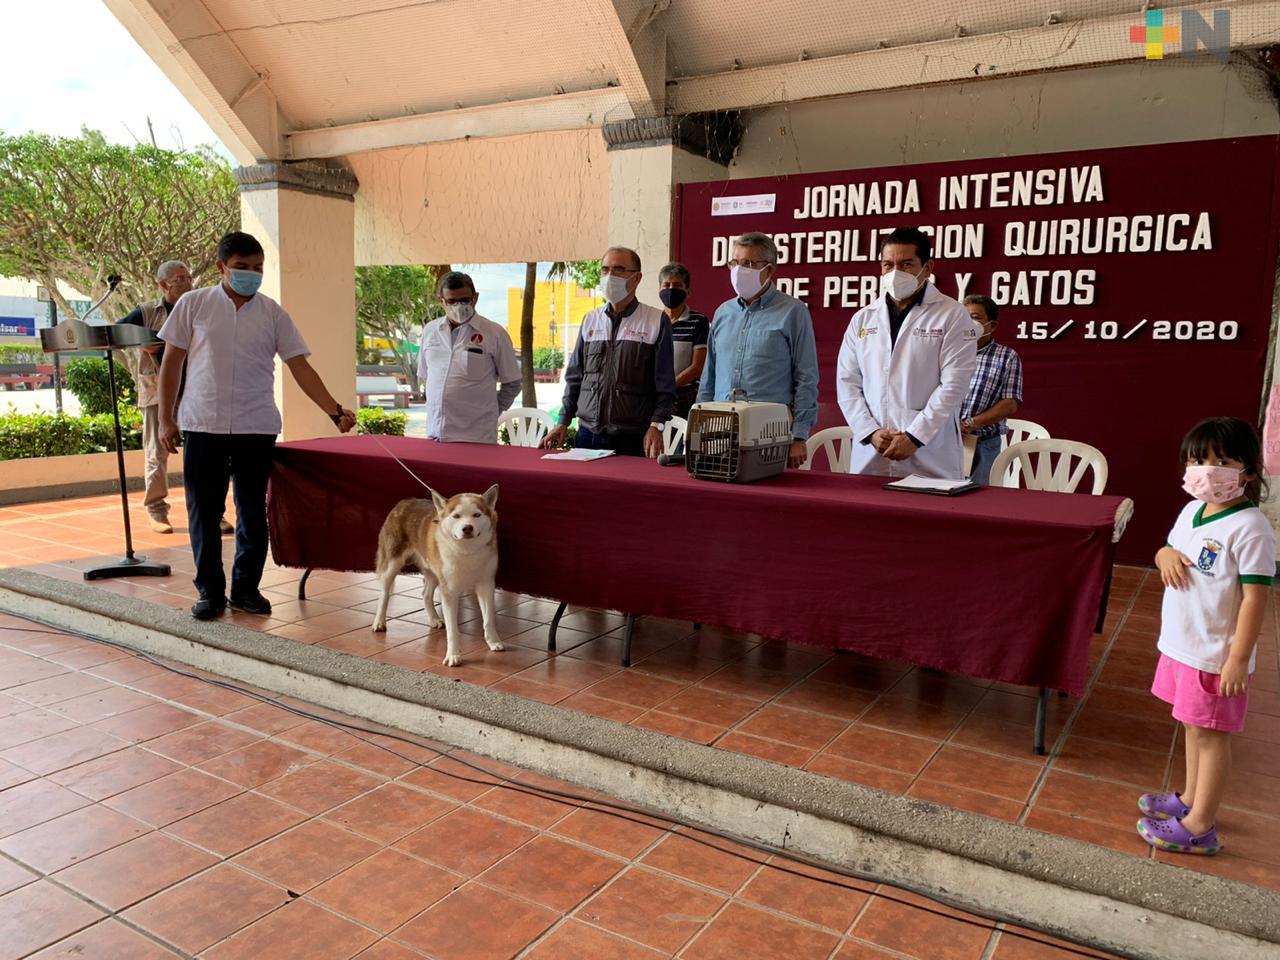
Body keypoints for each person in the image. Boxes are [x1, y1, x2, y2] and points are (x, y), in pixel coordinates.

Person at [156, 232, 356, 621]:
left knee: (252, 512)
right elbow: (171, 363)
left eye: (258, 269)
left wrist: (333, 410)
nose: (251, 275)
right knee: (204, 512)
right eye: (242, 268)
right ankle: (209, 592)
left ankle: (246, 589)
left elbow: (300, 366)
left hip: (255, 425)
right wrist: (167, 418)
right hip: (203, 424)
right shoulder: (193, 305)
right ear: (221, 268)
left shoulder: (272, 313)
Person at [1138, 417, 1275, 856]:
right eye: (1199, 460)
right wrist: (1163, 555)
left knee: (1212, 735)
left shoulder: (1251, 527)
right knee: (1194, 728)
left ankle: (1200, 826)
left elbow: (1256, 598)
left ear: (1248, 471)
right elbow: (1170, 547)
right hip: (1186, 647)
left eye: (1223, 461)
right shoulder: (1192, 510)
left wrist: (1238, 658)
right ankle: (1190, 799)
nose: (1208, 470)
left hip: (1217, 655)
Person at [836, 227, 978, 479]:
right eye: (887, 265)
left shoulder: (952, 315)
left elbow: (954, 386)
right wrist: (869, 432)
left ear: (928, 267)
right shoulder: (863, 318)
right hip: (873, 452)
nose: (895, 273)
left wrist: (915, 436)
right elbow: (847, 383)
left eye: (906, 264)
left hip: (930, 453)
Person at [696, 233, 818, 469]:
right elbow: (708, 375)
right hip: (719, 429)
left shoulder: (792, 312)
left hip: (768, 434)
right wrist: (701, 425)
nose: (739, 270)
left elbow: (806, 376)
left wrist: (799, 436)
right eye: (735, 263)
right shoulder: (723, 312)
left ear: (769, 270)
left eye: (748, 264)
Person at [540, 246, 674, 458]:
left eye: (619, 269)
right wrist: (562, 421)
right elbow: (575, 377)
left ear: (637, 278)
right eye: (605, 270)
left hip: (632, 437)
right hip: (588, 434)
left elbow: (665, 385)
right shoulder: (590, 320)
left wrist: (656, 426)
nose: (610, 276)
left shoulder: (655, 321)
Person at [119, 260, 191, 533]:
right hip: (156, 392)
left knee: (203, 455)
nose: (186, 282)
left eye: (188, 277)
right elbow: (116, 332)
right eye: (179, 279)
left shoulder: (197, 307)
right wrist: (142, 342)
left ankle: (211, 512)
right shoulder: (148, 312)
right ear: (163, 285)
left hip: (195, 390)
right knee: (156, 453)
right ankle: (157, 511)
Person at [418, 271, 520, 442]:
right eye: (451, 301)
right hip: (436, 434)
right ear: (441, 301)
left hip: (477, 436)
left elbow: (513, 383)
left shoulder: (494, 333)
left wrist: (492, 410)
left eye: (465, 300)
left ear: (475, 298)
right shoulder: (430, 331)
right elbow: (427, 376)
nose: (458, 307)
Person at [959, 295, 1024, 485]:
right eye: (962, 317)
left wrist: (968, 424)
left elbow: (1010, 403)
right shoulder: (946, 351)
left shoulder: (1007, 357)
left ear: (992, 325)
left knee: (974, 501)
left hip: (981, 443)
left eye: (975, 317)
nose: (967, 323)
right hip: (942, 441)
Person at [657, 262, 709, 420]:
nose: (671, 289)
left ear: (688, 291)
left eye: (677, 285)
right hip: (657, 399)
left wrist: (668, 389)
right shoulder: (653, 321)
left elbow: (697, 367)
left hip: (686, 400)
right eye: (666, 285)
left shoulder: (698, 321)